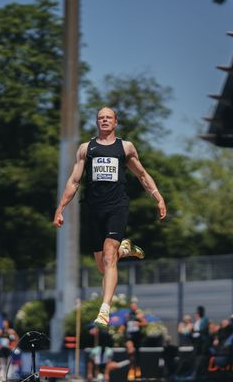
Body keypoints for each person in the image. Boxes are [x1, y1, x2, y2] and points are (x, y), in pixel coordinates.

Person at [53, 106, 167, 328]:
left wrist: (158, 196)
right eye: (100, 118)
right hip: (93, 209)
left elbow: (142, 174)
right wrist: (60, 208)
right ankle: (126, 250)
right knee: (103, 266)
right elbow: (74, 181)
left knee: (108, 257)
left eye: (108, 118)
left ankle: (104, 309)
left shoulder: (125, 148)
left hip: (117, 207)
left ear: (116, 122)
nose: (104, 121)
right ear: (97, 122)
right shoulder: (87, 149)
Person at [118, 298, 147, 380]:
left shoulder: (139, 315)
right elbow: (124, 325)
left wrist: (139, 322)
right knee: (131, 351)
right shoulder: (128, 316)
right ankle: (131, 368)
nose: (133, 307)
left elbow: (145, 324)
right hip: (129, 337)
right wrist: (120, 330)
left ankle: (137, 369)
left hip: (137, 337)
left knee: (137, 355)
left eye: (135, 306)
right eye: (132, 306)